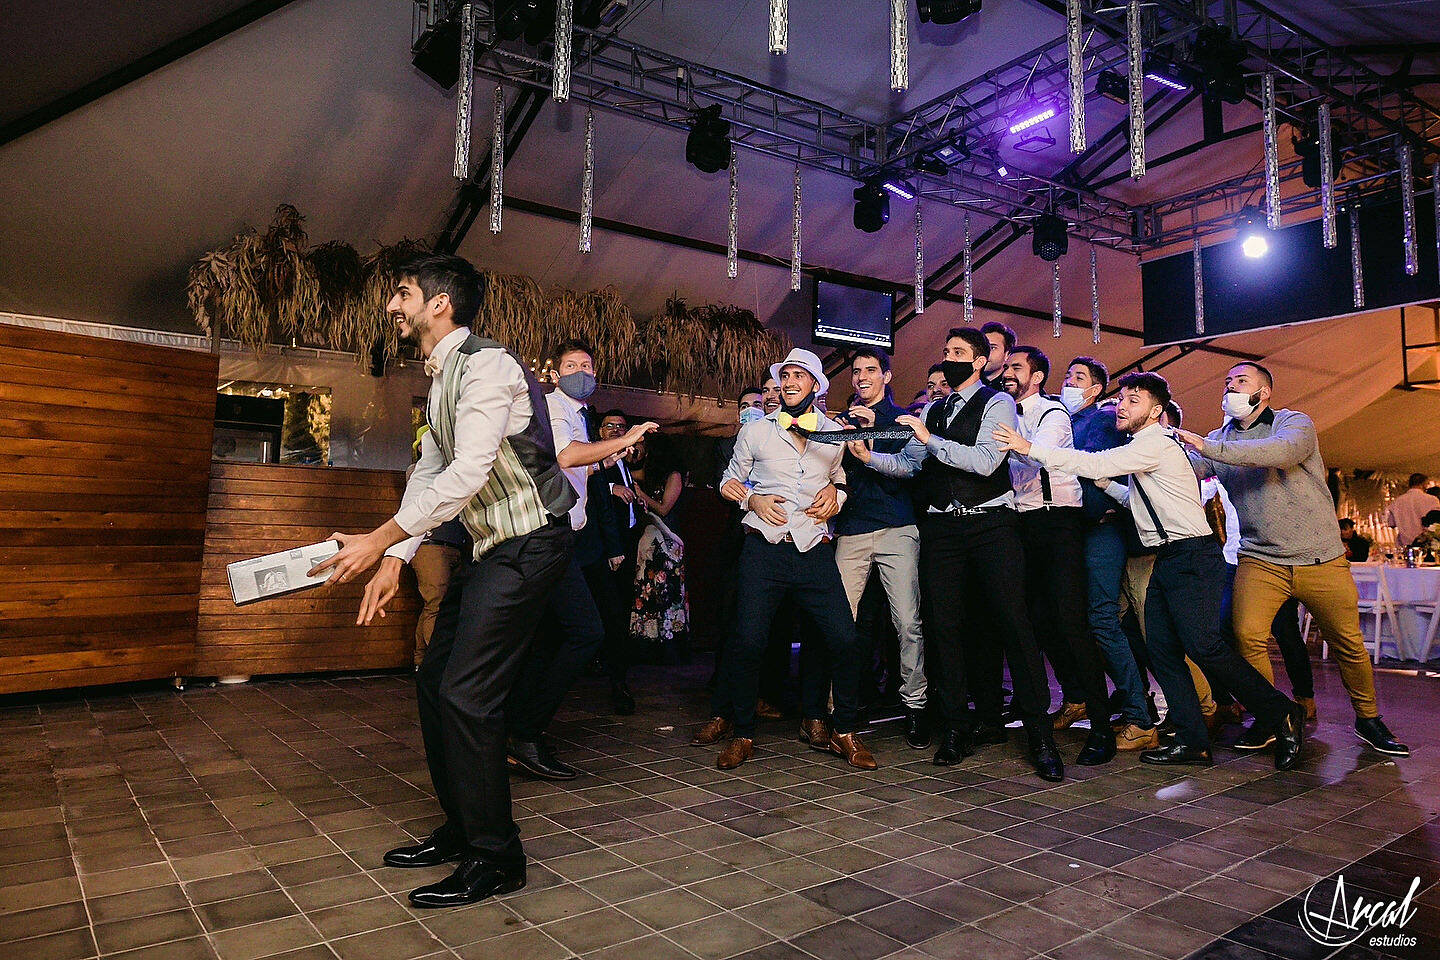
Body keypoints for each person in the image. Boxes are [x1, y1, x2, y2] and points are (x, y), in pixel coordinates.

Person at [313, 253, 577, 908]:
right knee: (436, 679)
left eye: (402, 293)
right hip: (494, 546)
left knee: (467, 692)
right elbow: (431, 474)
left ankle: (498, 856)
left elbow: (467, 475)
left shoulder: (487, 366)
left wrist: (378, 540)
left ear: (439, 304)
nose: (392, 305)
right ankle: (464, 829)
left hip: (533, 539)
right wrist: (396, 560)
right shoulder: (441, 380)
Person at [997, 371, 1306, 770]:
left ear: (1157, 411)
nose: (1122, 406)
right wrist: (1109, 486)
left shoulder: (1155, 442)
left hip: (1193, 557)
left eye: (1134, 400)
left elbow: (1093, 461)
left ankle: (1281, 712)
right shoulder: (1143, 449)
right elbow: (1135, 499)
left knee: (1204, 647)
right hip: (1170, 558)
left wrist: (1029, 447)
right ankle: (1193, 743)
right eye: (1122, 398)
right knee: (1161, 652)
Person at [853, 327, 1064, 781]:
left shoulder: (997, 403)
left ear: (977, 362)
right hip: (943, 528)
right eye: (944, 350)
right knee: (943, 626)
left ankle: (1041, 736)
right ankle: (954, 727)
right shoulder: (934, 408)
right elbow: (909, 465)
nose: (946, 358)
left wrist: (929, 439)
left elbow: (987, 461)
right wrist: (869, 457)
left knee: (1014, 623)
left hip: (991, 525)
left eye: (956, 353)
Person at [1176, 362, 1408, 757]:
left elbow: (1281, 454)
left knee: (1347, 642)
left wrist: (1208, 446)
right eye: (1227, 380)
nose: (1230, 386)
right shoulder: (1220, 439)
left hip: (1321, 558)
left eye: (1240, 381)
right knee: (1247, 637)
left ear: (1264, 392)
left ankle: (1368, 719)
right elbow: (1189, 472)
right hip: (1260, 558)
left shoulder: (1292, 423)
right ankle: (1270, 716)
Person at [695, 348, 877, 772]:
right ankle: (742, 733)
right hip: (764, 548)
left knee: (845, 639)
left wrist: (839, 494)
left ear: (816, 386)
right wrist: (753, 499)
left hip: (812, 548)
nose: (791, 382)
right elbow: (728, 481)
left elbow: (841, 480)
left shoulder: (834, 434)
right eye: (786, 376)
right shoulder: (756, 431)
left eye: (800, 376)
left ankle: (844, 731)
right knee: (748, 641)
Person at [505, 340, 655, 781]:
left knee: (548, 639)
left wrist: (607, 459)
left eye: (586, 365)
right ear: (554, 373)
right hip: (546, 535)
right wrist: (624, 438)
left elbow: (575, 469)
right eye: (570, 365)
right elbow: (566, 454)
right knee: (586, 632)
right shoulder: (553, 406)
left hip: (563, 537)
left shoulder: (579, 415)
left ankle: (517, 731)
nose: (579, 371)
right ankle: (524, 732)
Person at [999, 346, 1115, 766]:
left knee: (1072, 623)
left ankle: (1102, 728)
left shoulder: (1052, 414)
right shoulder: (1003, 411)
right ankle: (1049, 708)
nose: (1007, 373)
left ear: (1037, 376)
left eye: (1016, 367)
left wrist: (996, 445)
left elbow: (1033, 454)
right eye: (1006, 366)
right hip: (1021, 524)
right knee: (1034, 623)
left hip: (1057, 522)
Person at [834, 348, 929, 749]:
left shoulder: (905, 420)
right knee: (841, 622)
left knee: (907, 622)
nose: (861, 376)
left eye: (870, 370)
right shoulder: (839, 421)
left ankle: (916, 706)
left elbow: (910, 468)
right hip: (853, 529)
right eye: (856, 371)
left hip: (897, 527)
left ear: (887, 376)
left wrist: (872, 448)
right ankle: (840, 709)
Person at [1063, 357, 1159, 750]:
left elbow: (1113, 470)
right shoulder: (1063, 418)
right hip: (1073, 531)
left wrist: (1106, 502)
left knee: (1104, 620)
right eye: (1067, 376)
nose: (1069, 382)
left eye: (1079, 377)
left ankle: (1140, 713)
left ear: (1097, 389)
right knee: (1096, 621)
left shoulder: (1104, 421)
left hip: (1103, 530)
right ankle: (1117, 701)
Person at [597, 409, 644, 713]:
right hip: (604, 549)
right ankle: (616, 682)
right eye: (609, 426)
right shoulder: (596, 460)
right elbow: (586, 490)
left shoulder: (625, 462)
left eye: (621, 427)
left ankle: (617, 677)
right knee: (610, 615)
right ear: (599, 431)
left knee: (620, 613)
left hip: (625, 545)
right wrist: (611, 487)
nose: (615, 430)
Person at [630, 435, 691, 662]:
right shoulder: (649, 473)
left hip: (667, 544)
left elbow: (665, 508)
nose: (640, 450)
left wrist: (641, 495)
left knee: (667, 595)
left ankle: (669, 649)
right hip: (649, 543)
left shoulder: (673, 475)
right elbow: (625, 473)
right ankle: (648, 646)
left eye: (643, 446)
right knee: (648, 594)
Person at [1387, 474, 1440, 549]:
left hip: (1404, 545)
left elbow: (1391, 524)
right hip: (1427, 545)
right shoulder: (1432, 500)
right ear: (1423, 484)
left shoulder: (1397, 501)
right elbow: (1436, 523)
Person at [979, 320, 1016, 387]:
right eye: (982, 346)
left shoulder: (1013, 388)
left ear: (1007, 355)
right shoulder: (966, 382)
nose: (985, 352)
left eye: (992, 348)